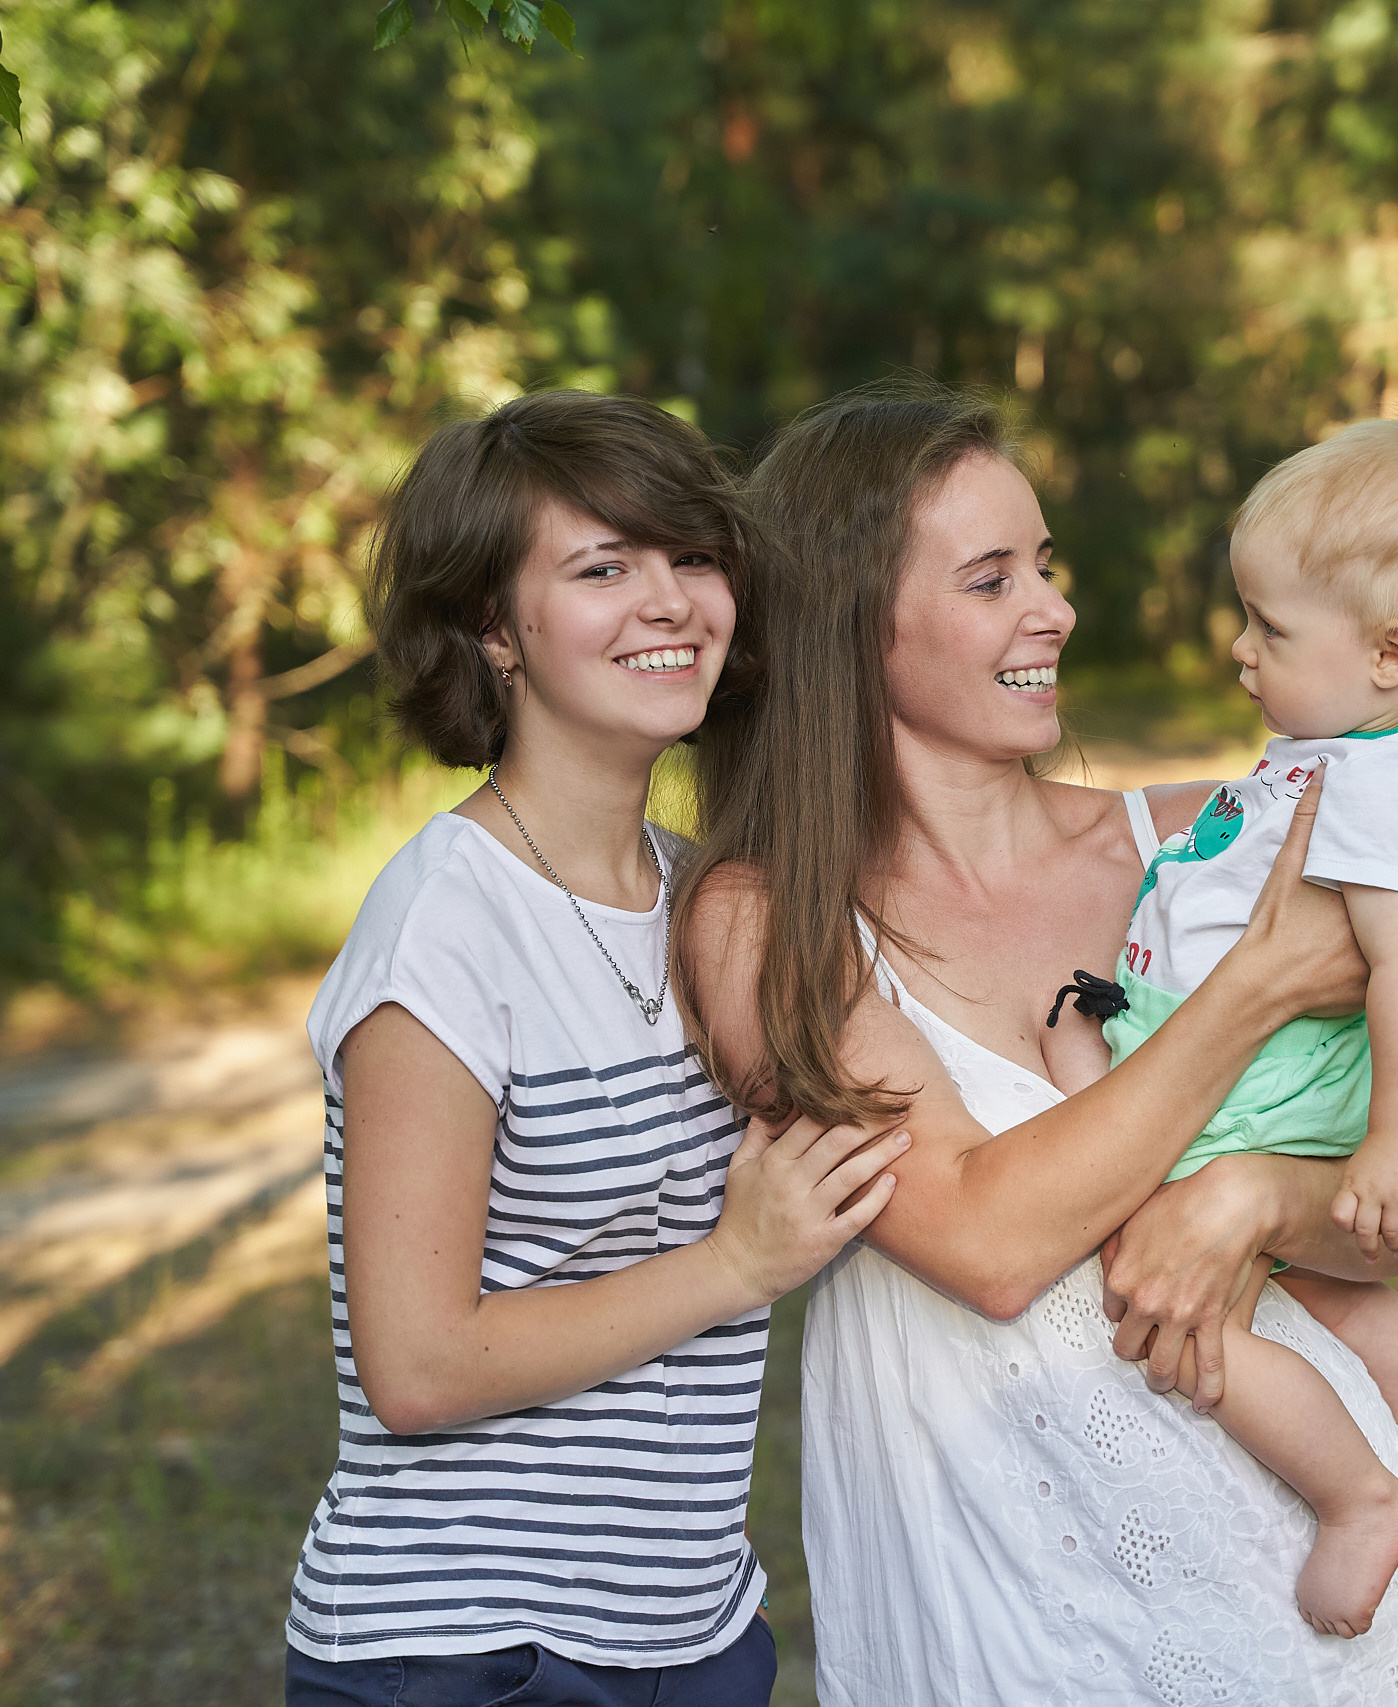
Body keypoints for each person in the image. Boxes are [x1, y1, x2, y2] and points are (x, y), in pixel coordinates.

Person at [675, 383, 1398, 1704]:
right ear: (845, 623)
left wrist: (1253, 1193)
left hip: (1318, 1616)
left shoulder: (1208, 841)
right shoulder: (763, 919)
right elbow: (985, 1244)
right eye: (991, 578)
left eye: (1043, 564)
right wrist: (1250, 992)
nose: (1053, 610)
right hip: (1008, 1607)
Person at [283, 391, 899, 1707]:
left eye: (689, 555)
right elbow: (418, 1362)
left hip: (694, 1633)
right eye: (602, 566)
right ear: (495, 629)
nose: (669, 599)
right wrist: (735, 1262)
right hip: (471, 1647)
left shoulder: (707, 896)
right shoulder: (444, 927)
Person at [1100, 414, 1398, 1636]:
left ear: (1390, 652)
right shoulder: (1342, 750)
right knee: (1329, 1297)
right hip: (1252, 1065)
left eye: (1269, 629)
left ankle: (1358, 1500)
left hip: (1266, 1091)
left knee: (1188, 1312)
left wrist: (1396, 1141)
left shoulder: (1393, 787)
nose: (1238, 650)